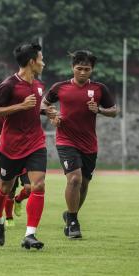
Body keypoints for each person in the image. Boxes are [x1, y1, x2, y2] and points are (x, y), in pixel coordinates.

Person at [0, 43, 57, 249]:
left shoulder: (40, 85)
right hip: (11, 146)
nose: (44, 63)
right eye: (41, 59)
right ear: (32, 61)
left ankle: (30, 235)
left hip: (36, 142)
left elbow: (34, 108)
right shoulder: (9, 85)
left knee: (39, 185)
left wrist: (46, 112)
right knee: (5, 188)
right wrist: (20, 106)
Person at [42, 50, 117, 238]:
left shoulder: (100, 89)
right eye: (79, 68)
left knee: (83, 184)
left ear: (92, 69)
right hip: (66, 140)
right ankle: (73, 222)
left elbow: (114, 111)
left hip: (89, 143)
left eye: (87, 69)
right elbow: (43, 105)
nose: (83, 72)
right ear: (72, 68)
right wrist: (53, 115)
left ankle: (70, 214)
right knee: (74, 179)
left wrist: (99, 109)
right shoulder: (60, 87)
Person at [0, 117, 31, 227]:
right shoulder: (3, 117)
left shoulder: (28, 117)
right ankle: (9, 217)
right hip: (9, 158)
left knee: (29, 188)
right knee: (9, 192)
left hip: (26, 157)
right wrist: (10, 137)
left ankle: (18, 200)